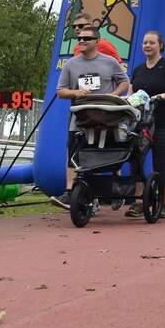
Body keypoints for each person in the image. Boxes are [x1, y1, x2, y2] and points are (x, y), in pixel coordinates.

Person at [51, 26, 130, 209]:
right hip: (80, 119)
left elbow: (124, 81)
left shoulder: (109, 62)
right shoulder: (71, 64)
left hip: (105, 118)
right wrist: (76, 92)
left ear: (97, 42)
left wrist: (114, 96)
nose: (81, 41)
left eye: (86, 38)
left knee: (107, 155)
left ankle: (115, 190)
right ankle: (76, 195)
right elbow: (61, 92)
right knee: (76, 155)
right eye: (79, 38)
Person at [126, 30, 165, 218]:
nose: (147, 46)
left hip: (164, 123)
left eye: (151, 43)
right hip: (141, 124)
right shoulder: (138, 70)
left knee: (160, 164)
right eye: (145, 43)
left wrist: (159, 97)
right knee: (136, 161)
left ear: (160, 46)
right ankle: (138, 202)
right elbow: (130, 95)